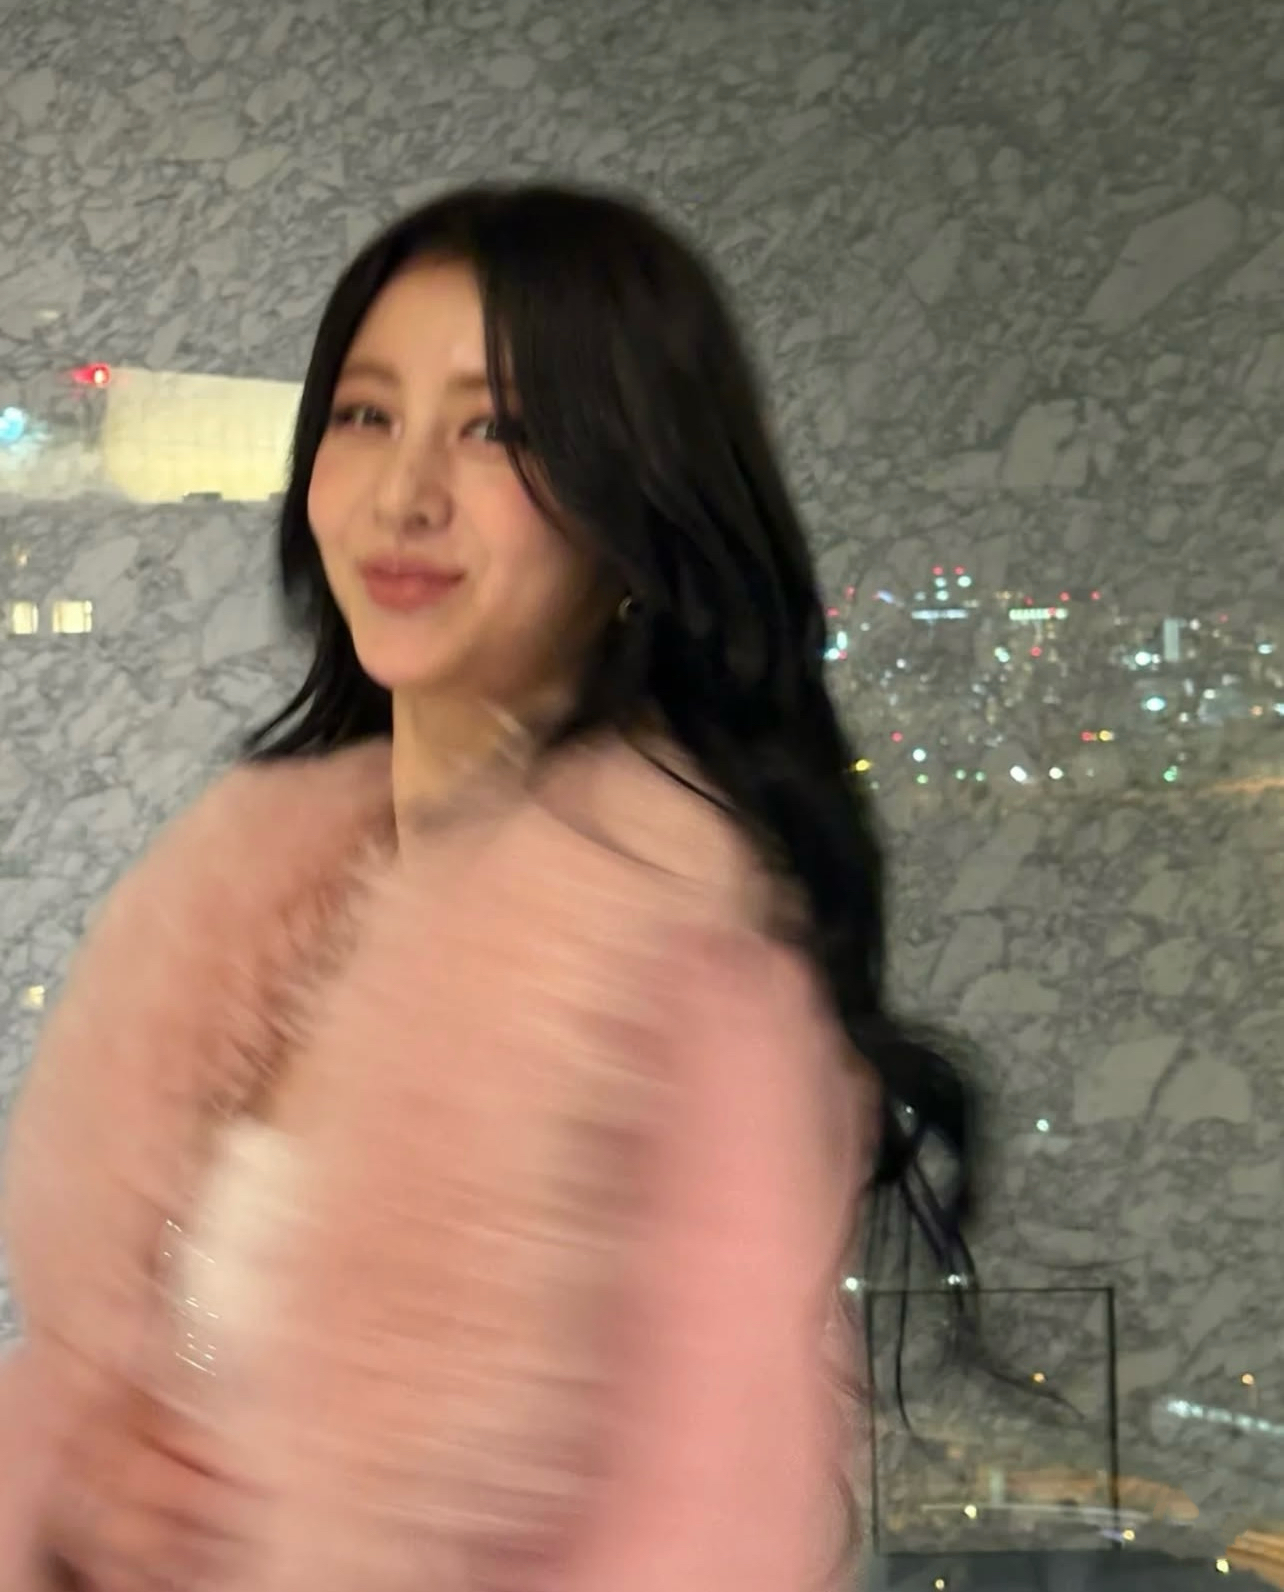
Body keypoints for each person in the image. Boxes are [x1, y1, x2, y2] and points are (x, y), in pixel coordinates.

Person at [0, 181, 974, 1591]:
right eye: (366, 415)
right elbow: (96, 1387)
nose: (406, 493)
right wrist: (79, 1492)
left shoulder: (677, 964)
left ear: (632, 508)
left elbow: (709, 1540)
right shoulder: (237, 912)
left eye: (498, 431)